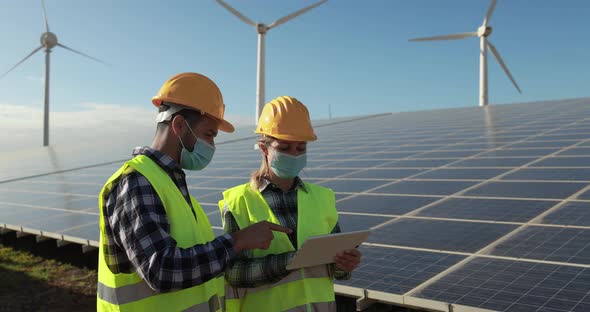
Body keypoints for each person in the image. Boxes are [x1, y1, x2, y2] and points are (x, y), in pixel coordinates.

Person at [97, 73, 291, 312]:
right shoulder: (137, 182)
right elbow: (161, 270)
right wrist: (237, 241)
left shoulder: (169, 184)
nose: (212, 145)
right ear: (179, 125)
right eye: (208, 134)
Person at [219, 96, 362, 312]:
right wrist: (290, 261)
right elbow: (233, 273)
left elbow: (334, 267)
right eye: (284, 147)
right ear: (264, 148)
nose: (294, 155)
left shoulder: (323, 199)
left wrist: (344, 266)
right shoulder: (238, 202)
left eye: (300, 148)